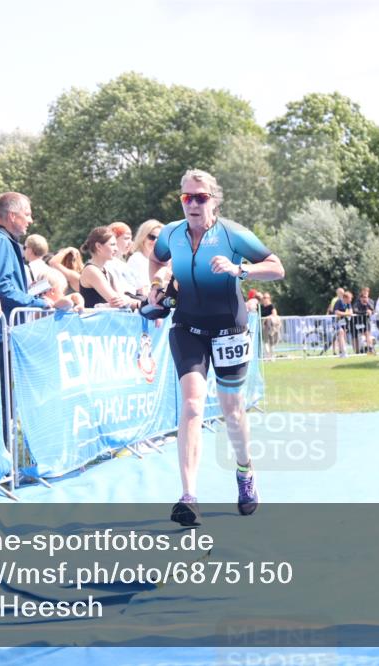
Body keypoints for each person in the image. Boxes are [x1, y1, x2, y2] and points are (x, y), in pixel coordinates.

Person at [148, 168, 284, 526]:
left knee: (232, 412)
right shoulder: (170, 234)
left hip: (229, 330)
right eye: (186, 197)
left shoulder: (232, 234)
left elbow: (277, 267)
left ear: (214, 200)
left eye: (201, 197)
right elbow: (156, 259)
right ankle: (189, 496)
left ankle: (245, 471)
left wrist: (240, 270)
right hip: (188, 327)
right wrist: (157, 285)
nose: (193, 204)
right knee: (192, 405)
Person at [0, 192, 70, 317]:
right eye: (27, 215)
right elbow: (1, 289)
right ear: (12, 216)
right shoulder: (1, 242)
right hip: (2, 326)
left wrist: (27, 291)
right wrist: (39, 302)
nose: (30, 220)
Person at [79, 226, 138, 309]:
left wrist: (138, 303)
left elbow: (122, 297)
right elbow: (116, 301)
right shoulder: (91, 270)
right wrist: (139, 304)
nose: (116, 249)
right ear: (98, 246)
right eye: (112, 244)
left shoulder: (106, 270)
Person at [127, 219, 165, 294]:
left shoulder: (165, 261)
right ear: (143, 237)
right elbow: (143, 290)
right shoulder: (137, 259)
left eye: (160, 238)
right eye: (152, 237)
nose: (155, 241)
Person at [106, 221, 139, 296]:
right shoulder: (106, 264)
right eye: (126, 238)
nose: (131, 243)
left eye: (131, 239)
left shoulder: (123, 264)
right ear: (113, 239)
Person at [352, 289, 375, 354]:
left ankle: (370, 349)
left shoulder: (370, 301)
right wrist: (365, 312)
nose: (365, 298)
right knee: (356, 336)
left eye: (366, 296)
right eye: (363, 297)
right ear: (361, 297)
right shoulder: (357, 302)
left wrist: (367, 304)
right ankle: (357, 351)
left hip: (366, 321)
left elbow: (373, 310)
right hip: (357, 321)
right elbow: (355, 311)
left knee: (367, 334)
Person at [332, 290, 354, 357]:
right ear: (345, 298)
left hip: (343, 321)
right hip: (336, 321)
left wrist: (344, 314)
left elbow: (351, 312)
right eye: (350, 298)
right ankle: (343, 351)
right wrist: (346, 314)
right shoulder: (338, 302)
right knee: (341, 333)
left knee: (342, 336)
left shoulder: (348, 303)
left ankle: (341, 352)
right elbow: (336, 312)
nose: (351, 300)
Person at [259, 293, 280, 359]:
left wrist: (266, 318)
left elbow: (274, 314)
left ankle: (272, 356)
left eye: (266, 297)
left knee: (272, 342)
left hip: (271, 327)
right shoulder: (261, 307)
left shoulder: (271, 306)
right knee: (265, 341)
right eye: (264, 297)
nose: (265, 299)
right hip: (264, 327)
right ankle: (267, 356)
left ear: (269, 298)